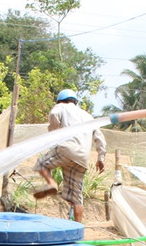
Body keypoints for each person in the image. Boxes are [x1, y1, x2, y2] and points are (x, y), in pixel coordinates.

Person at [33, 88, 107, 223]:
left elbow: (54, 114)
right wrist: (101, 158)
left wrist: (53, 133)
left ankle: (52, 183)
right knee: (77, 197)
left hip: (66, 150)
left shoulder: (61, 107)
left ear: (60, 100)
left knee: (41, 164)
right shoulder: (88, 116)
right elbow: (100, 138)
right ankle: (78, 228)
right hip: (83, 158)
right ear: (75, 101)